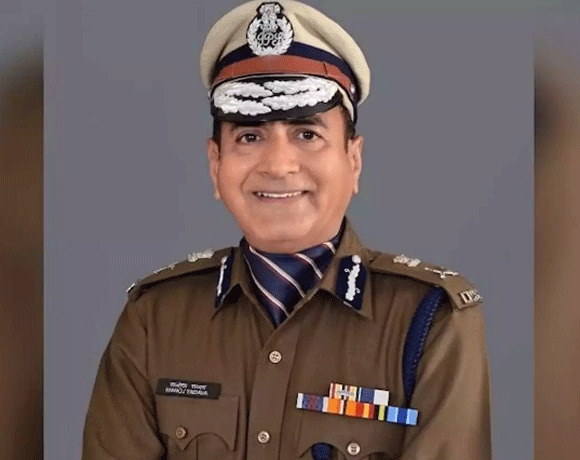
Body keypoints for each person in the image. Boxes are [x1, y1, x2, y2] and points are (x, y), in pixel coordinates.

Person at [82, 1, 491, 459]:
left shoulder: (430, 322)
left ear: (353, 160)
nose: (277, 165)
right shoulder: (154, 320)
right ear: (215, 164)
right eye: (249, 137)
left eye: (307, 134)